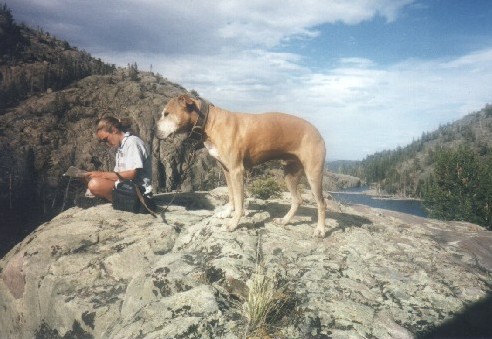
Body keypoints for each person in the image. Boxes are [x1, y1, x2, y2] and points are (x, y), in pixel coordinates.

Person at [83, 116, 153, 203]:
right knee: (88, 179)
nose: (107, 143)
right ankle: (106, 198)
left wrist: (101, 175)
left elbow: (131, 174)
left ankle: (114, 200)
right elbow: (118, 175)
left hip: (137, 190)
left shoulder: (132, 143)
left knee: (95, 184)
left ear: (114, 130)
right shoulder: (121, 147)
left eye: (106, 139)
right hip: (125, 186)